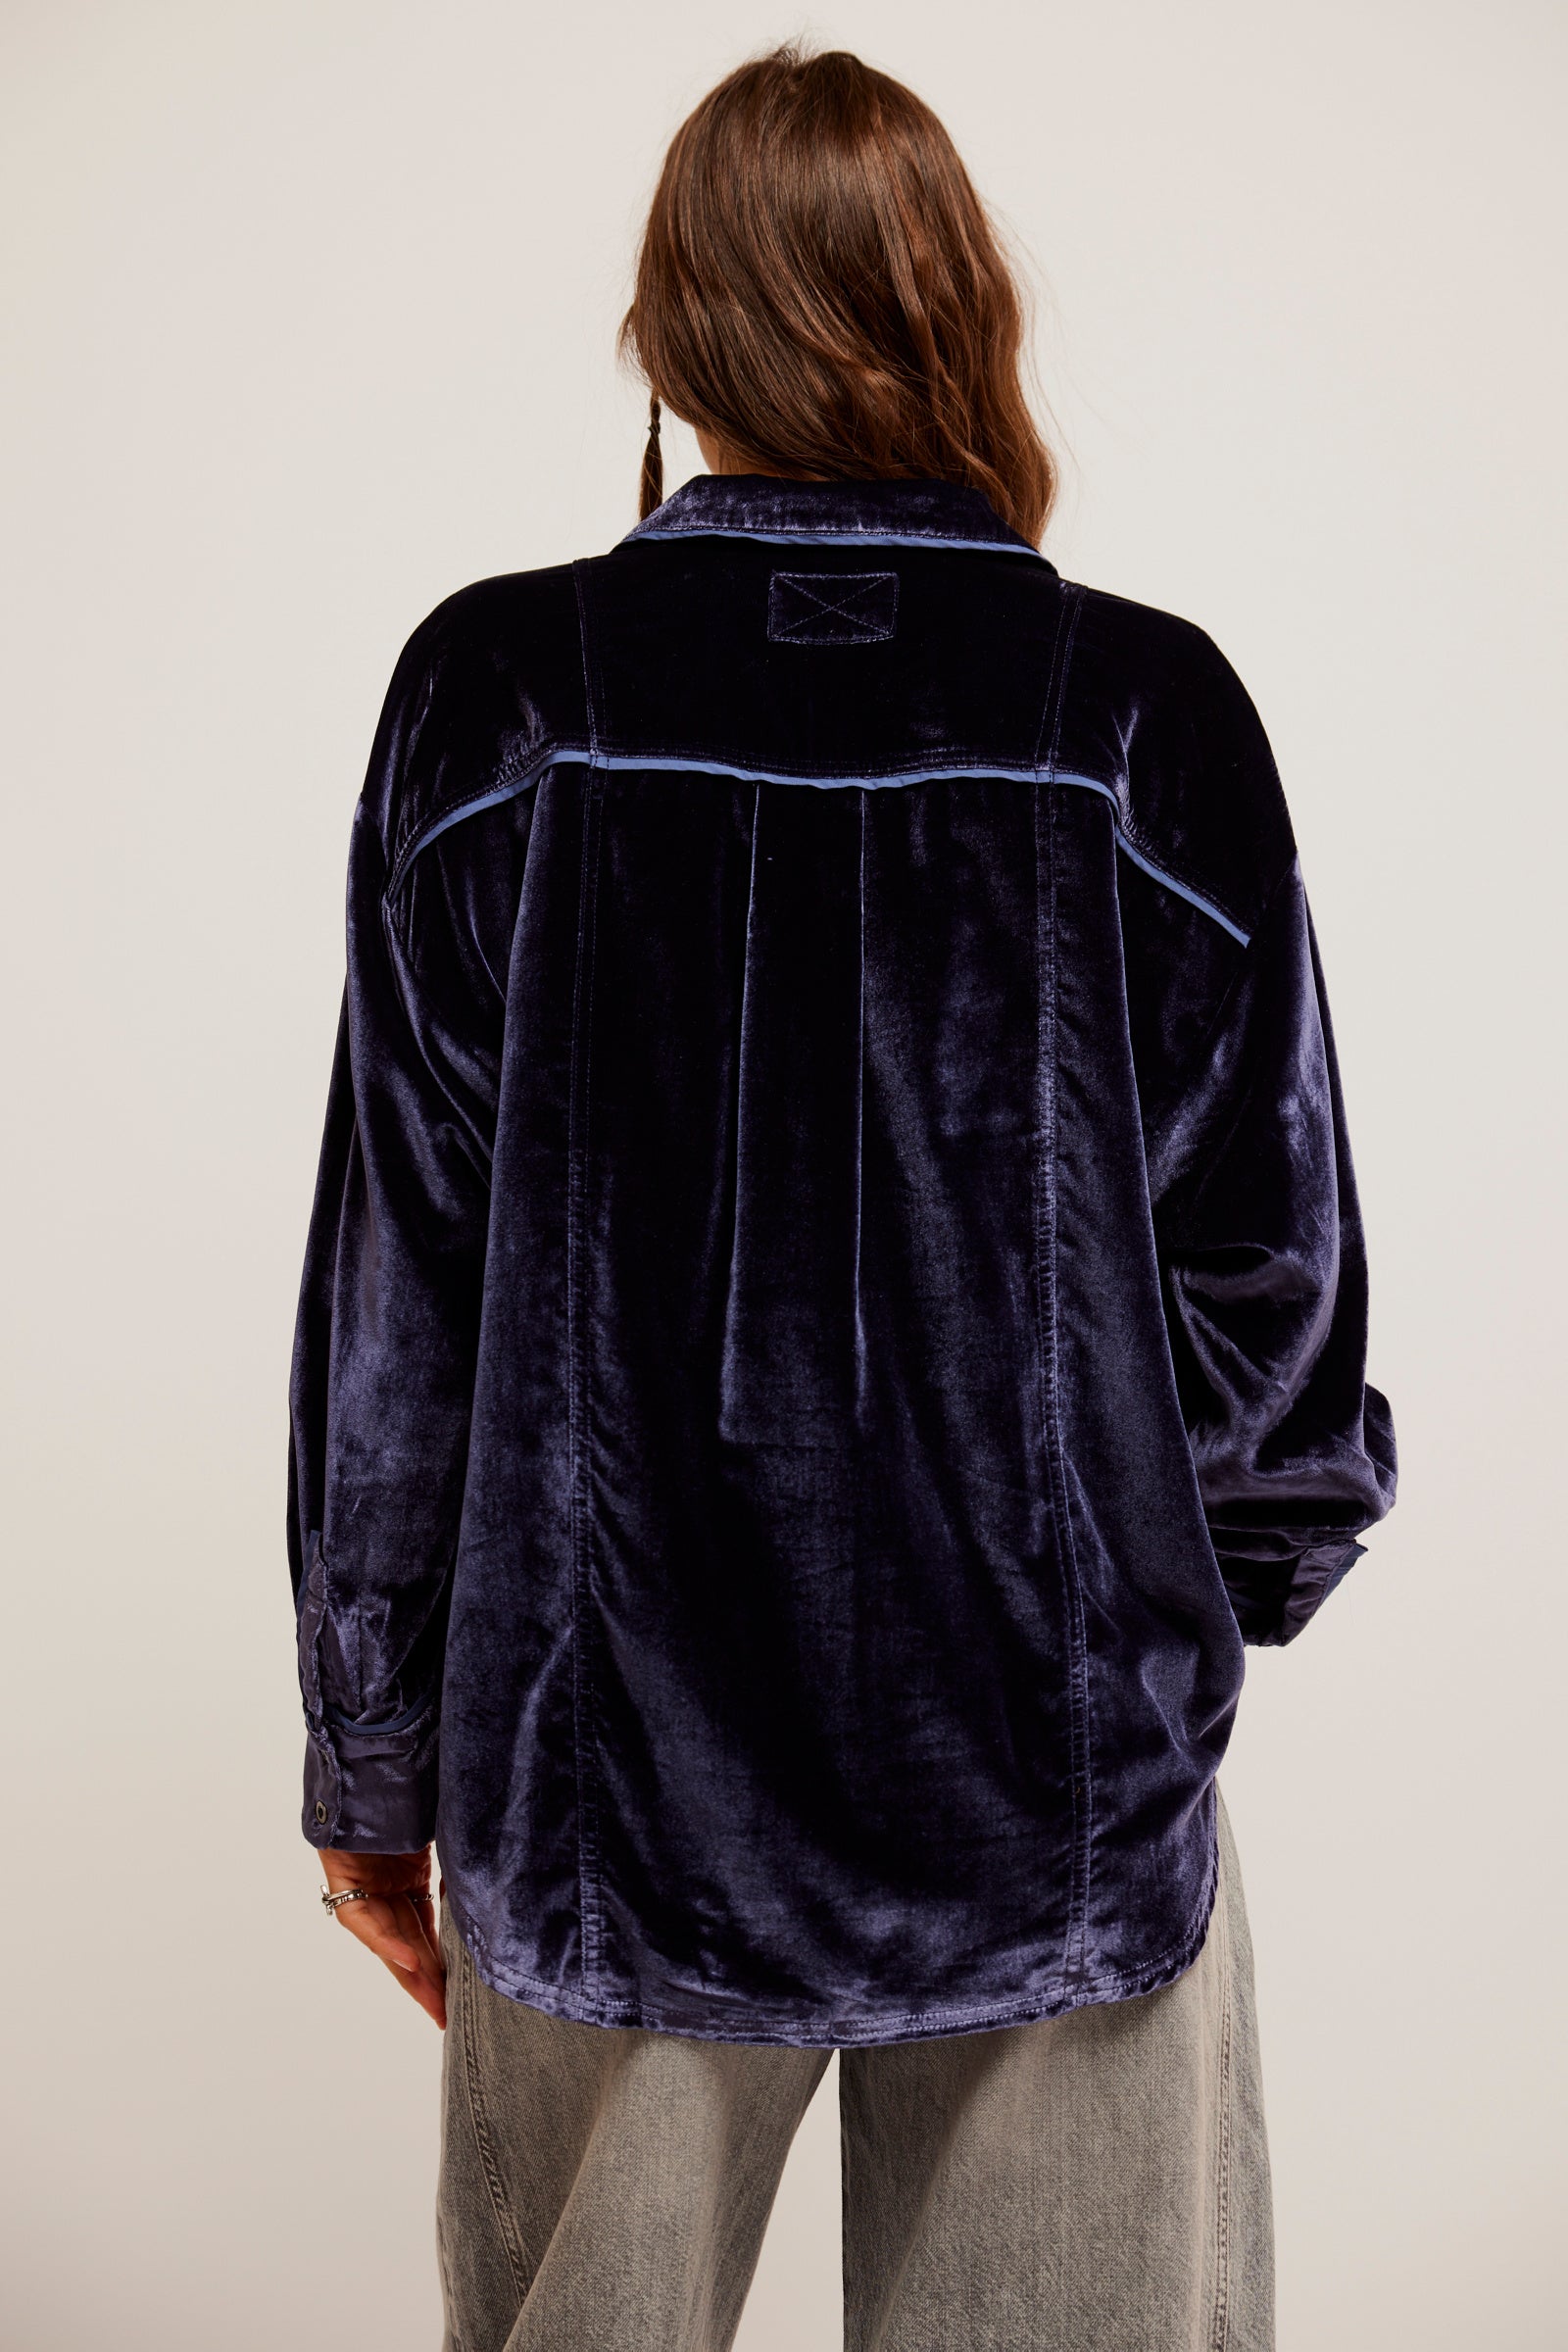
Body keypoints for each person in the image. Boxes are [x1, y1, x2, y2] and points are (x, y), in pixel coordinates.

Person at [287, 44, 1396, 2352]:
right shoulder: (1136, 711)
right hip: (1052, 1787)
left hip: (595, 1781)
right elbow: (1273, 1289)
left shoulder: (495, 696)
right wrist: (1138, 1603)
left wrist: (377, 1751)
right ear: (960, 306)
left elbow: (400, 1292)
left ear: (668, 329)